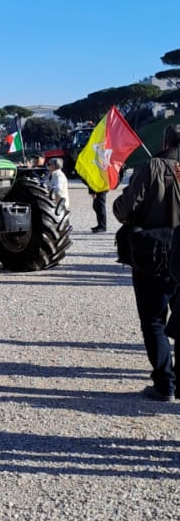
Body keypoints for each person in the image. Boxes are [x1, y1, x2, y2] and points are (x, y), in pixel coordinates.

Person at [113, 122, 180, 403]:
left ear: (165, 142)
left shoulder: (152, 167)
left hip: (154, 253)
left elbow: (125, 208)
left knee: (153, 319)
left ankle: (164, 383)